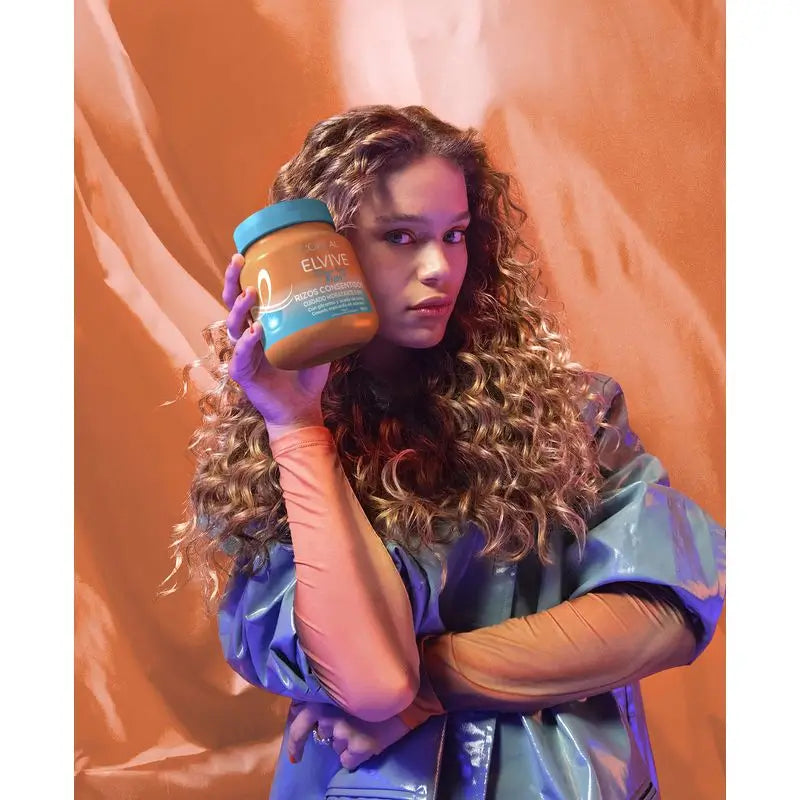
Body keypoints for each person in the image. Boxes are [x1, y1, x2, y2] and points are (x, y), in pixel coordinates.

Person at [168, 104, 725, 799]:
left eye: (454, 234)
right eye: (400, 236)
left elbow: (663, 612)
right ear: (322, 254)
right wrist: (296, 428)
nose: (439, 268)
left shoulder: (575, 415)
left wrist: (429, 690)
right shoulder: (269, 457)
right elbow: (373, 682)